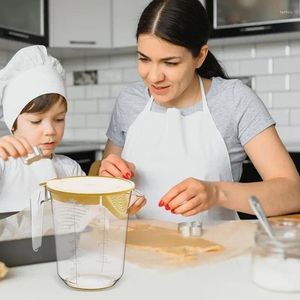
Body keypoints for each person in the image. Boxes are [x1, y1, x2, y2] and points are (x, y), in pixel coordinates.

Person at [99, 0, 300, 224]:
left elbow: (292, 192)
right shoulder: (129, 101)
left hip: (215, 253)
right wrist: (107, 182)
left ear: (200, 56)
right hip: (134, 253)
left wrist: (216, 193)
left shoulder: (234, 100)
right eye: (144, 59)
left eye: (170, 63)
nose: (154, 77)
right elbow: (104, 195)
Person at [0, 45, 85, 213]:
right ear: (13, 124)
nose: (50, 130)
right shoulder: (5, 166)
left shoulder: (70, 169)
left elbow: (89, 215)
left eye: (59, 119)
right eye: (36, 121)